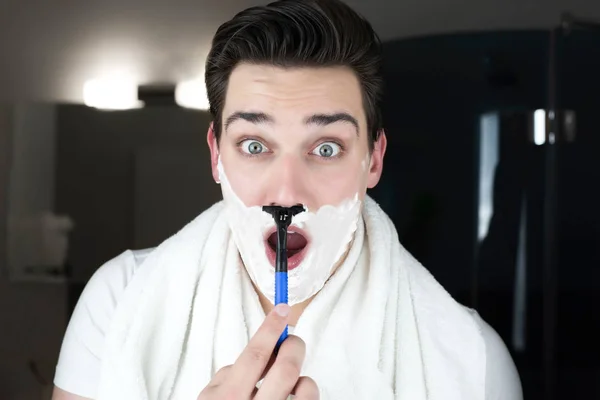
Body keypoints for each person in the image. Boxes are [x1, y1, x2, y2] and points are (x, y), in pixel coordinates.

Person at [52, 0, 523, 399]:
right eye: (255, 146)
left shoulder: (473, 363)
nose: (286, 194)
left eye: (326, 148)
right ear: (217, 156)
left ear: (373, 160)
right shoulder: (119, 304)